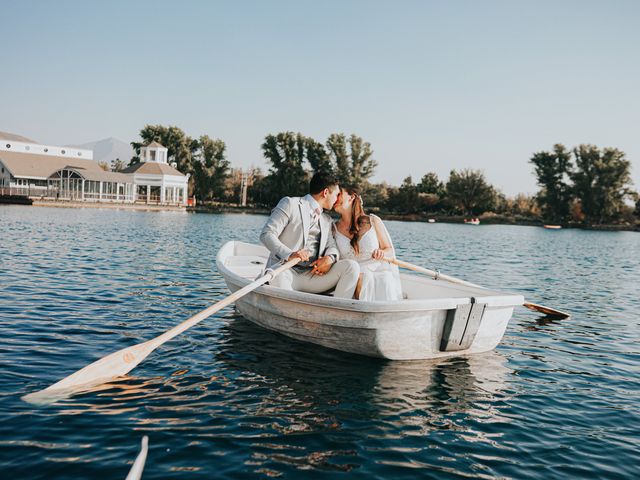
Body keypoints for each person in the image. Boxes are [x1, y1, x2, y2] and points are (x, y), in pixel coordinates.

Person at [260, 173, 360, 299]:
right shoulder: (290, 204)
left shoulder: (326, 219)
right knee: (283, 289)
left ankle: (336, 311)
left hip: (313, 276)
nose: (336, 199)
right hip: (285, 271)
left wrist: (330, 258)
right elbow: (267, 234)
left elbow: (331, 245)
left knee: (351, 267)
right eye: (336, 195)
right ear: (325, 193)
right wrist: (290, 254)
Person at [332, 186, 403, 301]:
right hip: (350, 276)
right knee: (361, 278)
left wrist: (382, 252)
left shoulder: (373, 221)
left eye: (339, 194)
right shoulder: (333, 228)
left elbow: (389, 250)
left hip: (375, 271)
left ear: (351, 197)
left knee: (382, 279)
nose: (335, 198)